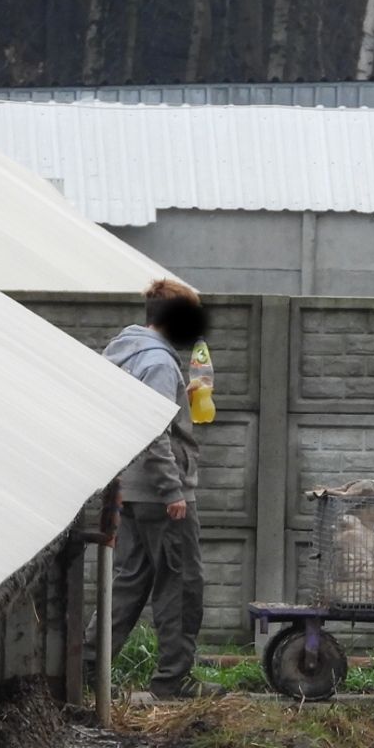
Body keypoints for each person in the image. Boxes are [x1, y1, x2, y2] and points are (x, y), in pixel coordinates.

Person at [84, 279, 223, 699]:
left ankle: (86, 669)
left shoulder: (125, 353)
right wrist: (172, 490)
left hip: (129, 488)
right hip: (161, 494)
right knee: (180, 586)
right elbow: (155, 431)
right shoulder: (160, 365)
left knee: (128, 583)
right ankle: (174, 680)